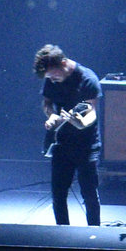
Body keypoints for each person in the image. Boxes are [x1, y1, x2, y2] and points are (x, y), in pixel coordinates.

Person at [35, 44, 104, 224]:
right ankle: (62, 235)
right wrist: (52, 116)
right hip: (61, 144)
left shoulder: (87, 79)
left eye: (54, 75)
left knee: (89, 194)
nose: (52, 80)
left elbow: (92, 114)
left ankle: (94, 235)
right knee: (58, 194)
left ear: (64, 63)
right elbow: (47, 103)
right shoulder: (51, 78)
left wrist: (78, 122)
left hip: (87, 145)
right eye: (49, 77)